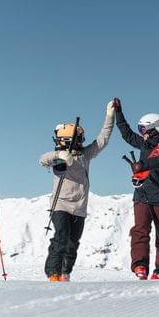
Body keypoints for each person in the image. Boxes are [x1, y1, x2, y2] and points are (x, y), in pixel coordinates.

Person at [39, 101, 115, 282]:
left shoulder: (84, 155)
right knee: (61, 238)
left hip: (80, 207)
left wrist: (110, 116)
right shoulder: (59, 157)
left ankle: (66, 273)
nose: (82, 141)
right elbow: (42, 160)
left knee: (73, 244)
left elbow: (102, 139)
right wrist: (59, 156)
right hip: (61, 205)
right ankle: (53, 273)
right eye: (79, 138)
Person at [113, 100, 159, 280]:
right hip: (142, 195)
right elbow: (126, 134)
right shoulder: (144, 145)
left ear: (153, 128)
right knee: (140, 230)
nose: (141, 133)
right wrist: (119, 112)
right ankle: (140, 265)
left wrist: (143, 164)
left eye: (143, 129)